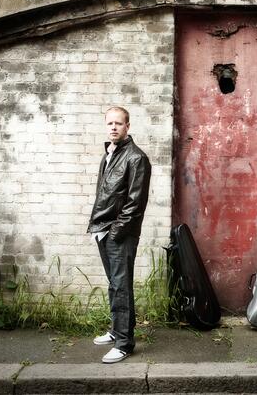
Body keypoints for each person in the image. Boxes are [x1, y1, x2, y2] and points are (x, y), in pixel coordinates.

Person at [88, 106, 151, 363]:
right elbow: (104, 195)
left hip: (120, 233)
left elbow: (135, 204)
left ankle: (124, 343)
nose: (113, 127)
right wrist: (99, 229)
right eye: (110, 123)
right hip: (104, 231)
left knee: (121, 286)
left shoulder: (136, 158)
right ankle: (117, 331)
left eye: (119, 123)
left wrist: (115, 233)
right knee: (115, 285)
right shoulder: (109, 154)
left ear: (128, 126)